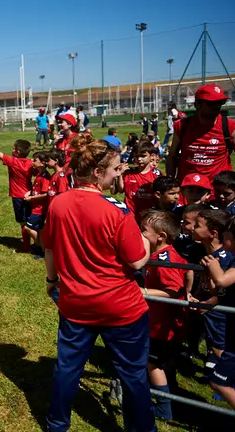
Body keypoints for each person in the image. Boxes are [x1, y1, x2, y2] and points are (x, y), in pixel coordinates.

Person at [42, 140, 156, 432]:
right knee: (132, 375)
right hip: (121, 308)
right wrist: (147, 240)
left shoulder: (58, 203)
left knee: (67, 368)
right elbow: (137, 261)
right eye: (116, 169)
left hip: (75, 303)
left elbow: (51, 248)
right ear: (96, 172)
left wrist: (51, 281)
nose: (119, 174)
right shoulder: (116, 210)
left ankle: (57, 424)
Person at [138, 210, 193, 420]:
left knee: (153, 364)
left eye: (144, 230)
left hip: (163, 325)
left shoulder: (164, 260)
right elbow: (189, 271)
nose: (140, 233)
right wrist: (188, 291)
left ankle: (163, 408)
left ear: (160, 236)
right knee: (163, 360)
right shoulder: (167, 253)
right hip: (167, 322)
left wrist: (143, 292)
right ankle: (173, 391)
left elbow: (171, 290)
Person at [200, 215, 235, 408]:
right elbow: (220, 290)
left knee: (218, 382)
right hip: (232, 331)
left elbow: (223, 280)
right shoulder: (234, 261)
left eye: (227, 234)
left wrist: (214, 266)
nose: (223, 236)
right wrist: (210, 276)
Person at [166, 84, 235, 182]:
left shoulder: (230, 127)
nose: (217, 106)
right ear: (197, 105)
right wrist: (170, 182)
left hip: (217, 193)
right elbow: (172, 156)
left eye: (221, 102)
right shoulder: (182, 126)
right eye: (211, 103)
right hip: (188, 191)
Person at [191, 210, 231, 371]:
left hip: (219, 313)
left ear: (213, 233)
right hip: (209, 308)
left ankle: (229, 383)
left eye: (197, 225)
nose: (192, 228)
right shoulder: (207, 254)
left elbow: (227, 290)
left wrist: (208, 304)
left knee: (220, 348)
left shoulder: (224, 258)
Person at [113, 141, 161, 219]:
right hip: (130, 214)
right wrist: (120, 175)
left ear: (152, 156)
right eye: (136, 156)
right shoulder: (129, 172)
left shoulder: (157, 175)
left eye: (143, 156)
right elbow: (121, 190)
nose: (139, 159)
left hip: (149, 216)